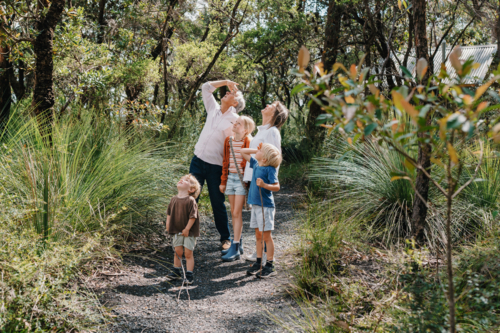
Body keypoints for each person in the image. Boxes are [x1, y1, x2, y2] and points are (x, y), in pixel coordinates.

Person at [189, 80, 246, 251]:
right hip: (198, 160)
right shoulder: (212, 109)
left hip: (216, 167)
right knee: (191, 199)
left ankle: (225, 239)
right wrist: (226, 82)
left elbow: (241, 142)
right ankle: (188, 236)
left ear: (235, 103)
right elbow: (206, 87)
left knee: (217, 203)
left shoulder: (236, 121)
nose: (227, 93)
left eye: (231, 94)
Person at [243, 101, 289, 263]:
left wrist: (269, 181)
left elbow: (274, 158)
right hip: (254, 178)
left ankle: (266, 257)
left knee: (263, 219)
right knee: (256, 219)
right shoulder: (261, 131)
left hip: (262, 181)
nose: (268, 104)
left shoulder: (272, 132)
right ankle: (259, 254)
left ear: (275, 114)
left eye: (272, 105)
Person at [240, 143, 282, 278]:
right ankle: (258, 262)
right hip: (256, 206)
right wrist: (258, 150)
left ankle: (270, 265)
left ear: (264, 158)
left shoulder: (270, 169)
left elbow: (277, 187)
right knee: (258, 235)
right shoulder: (256, 164)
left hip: (266, 207)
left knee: (266, 236)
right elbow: (243, 151)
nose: (257, 151)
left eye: (260, 150)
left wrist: (264, 185)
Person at [219, 115, 255, 261]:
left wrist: (248, 183)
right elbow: (225, 161)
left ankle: (235, 247)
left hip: (240, 181)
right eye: (235, 122)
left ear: (246, 130)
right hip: (230, 179)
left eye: (238, 123)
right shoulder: (229, 141)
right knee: (233, 213)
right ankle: (237, 243)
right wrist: (223, 181)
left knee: (236, 212)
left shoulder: (248, 141)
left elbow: (250, 164)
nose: (235, 124)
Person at [166, 174, 201, 285]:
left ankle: (189, 274)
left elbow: (193, 217)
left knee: (188, 253)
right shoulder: (173, 199)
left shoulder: (190, 200)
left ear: (191, 189)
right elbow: (169, 214)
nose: (181, 179)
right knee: (177, 251)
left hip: (188, 232)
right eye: (181, 178)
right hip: (176, 230)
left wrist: (187, 229)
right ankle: (176, 271)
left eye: (186, 180)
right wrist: (168, 225)